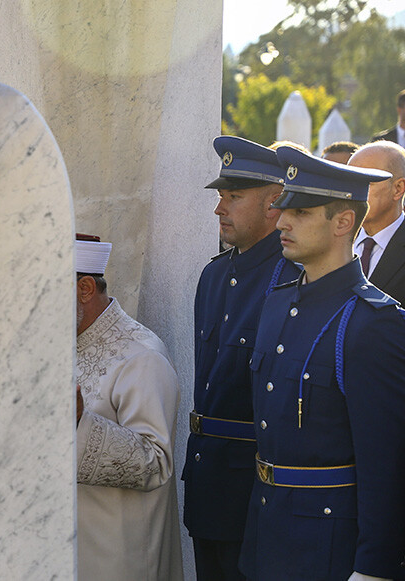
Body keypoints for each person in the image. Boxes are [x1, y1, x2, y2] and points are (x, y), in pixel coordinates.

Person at [239, 147, 405, 580]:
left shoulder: (374, 323)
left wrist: (374, 568)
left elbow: (386, 462)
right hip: (265, 538)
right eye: (283, 208)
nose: (282, 221)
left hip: (328, 553)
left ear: (343, 222)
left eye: (302, 212)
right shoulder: (275, 304)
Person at [183, 136, 299, 581]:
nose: (219, 208)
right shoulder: (214, 275)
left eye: (233, 197)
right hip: (207, 478)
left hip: (254, 491)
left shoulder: (291, 279)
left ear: (274, 203)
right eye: (220, 196)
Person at [74, 234, 182, 581]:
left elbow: (156, 463)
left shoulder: (141, 356)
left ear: (85, 289)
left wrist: (79, 424)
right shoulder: (60, 342)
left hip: (119, 558)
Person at [349, 142, 405, 301]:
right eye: (349, 182)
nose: (352, 192)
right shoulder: (331, 240)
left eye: (365, 182)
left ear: (398, 188)